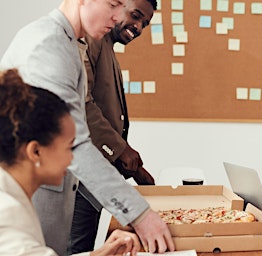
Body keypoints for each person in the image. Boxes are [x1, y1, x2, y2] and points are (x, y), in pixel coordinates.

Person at [0, 0, 174, 254]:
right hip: (37, 200)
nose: (117, 17)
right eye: (113, 4)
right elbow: (77, 143)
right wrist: (139, 215)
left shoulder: (70, 42)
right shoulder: (48, 45)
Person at [0, 68, 141, 256]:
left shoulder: (13, 196)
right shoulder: (9, 214)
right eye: (69, 147)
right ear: (36, 151)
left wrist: (99, 254)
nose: (72, 158)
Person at [71, 0, 156, 252]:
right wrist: (121, 152)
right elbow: (82, 104)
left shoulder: (107, 46)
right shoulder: (93, 40)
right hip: (78, 180)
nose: (139, 27)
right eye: (136, 16)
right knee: (75, 249)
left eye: (145, 24)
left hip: (95, 178)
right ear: (118, 8)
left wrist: (130, 161)